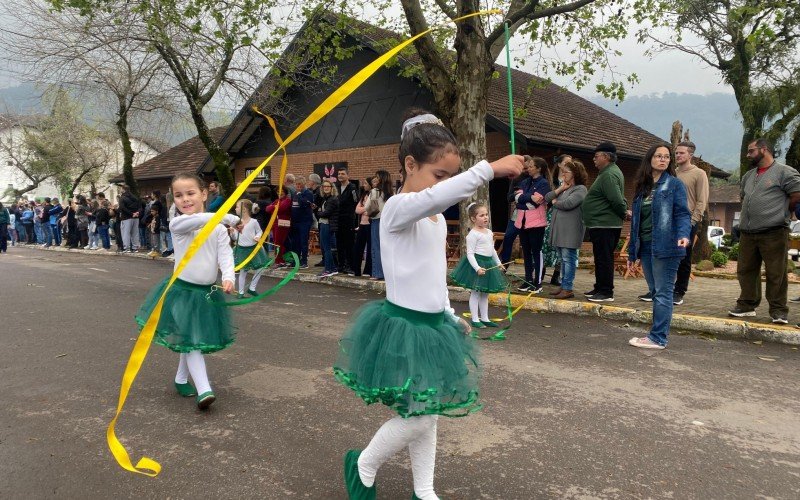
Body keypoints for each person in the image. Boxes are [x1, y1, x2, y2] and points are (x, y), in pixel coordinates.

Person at [333, 109, 523, 500]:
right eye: (440, 174)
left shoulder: (434, 218)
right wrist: (488, 168)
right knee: (419, 416)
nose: (446, 184)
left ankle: (424, 490)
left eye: (451, 176)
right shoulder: (397, 210)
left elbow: (432, 275)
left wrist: (450, 315)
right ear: (409, 164)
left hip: (433, 326)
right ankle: (364, 463)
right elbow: (434, 197)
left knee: (427, 414)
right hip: (404, 328)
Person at [135, 173, 239, 410]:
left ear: (204, 194)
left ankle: (181, 378)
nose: (185, 199)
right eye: (179, 195)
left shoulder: (219, 229)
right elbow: (202, 221)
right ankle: (205, 390)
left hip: (206, 294)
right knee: (192, 340)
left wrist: (230, 278)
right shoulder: (178, 224)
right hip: (182, 292)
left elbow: (225, 256)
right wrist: (226, 216)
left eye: (191, 193)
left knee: (190, 339)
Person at [729, 138, 800, 324]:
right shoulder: (748, 176)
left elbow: (796, 194)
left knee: (776, 272)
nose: (748, 155)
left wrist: (785, 211)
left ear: (764, 149)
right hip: (748, 232)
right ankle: (746, 305)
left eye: (751, 151)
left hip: (774, 231)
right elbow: (744, 198)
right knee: (745, 270)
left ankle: (778, 311)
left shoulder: (785, 172)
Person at [627, 144, 691, 349]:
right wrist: (632, 252)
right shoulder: (643, 187)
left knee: (663, 292)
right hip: (645, 245)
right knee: (656, 291)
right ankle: (656, 334)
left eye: (666, 157)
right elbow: (636, 220)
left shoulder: (674, 184)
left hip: (667, 246)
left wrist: (683, 234)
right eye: (658, 156)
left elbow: (682, 213)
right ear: (650, 159)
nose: (663, 160)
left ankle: (658, 338)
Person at [449, 202, 508, 330]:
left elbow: (492, 250)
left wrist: (498, 263)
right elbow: (470, 254)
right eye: (481, 215)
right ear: (473, 219)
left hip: (488, 264)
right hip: (477, 265)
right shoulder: (473, 234)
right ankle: (475, 319)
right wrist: (477, 268)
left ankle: (485, 318)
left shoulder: (489, 232)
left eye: (486, 214)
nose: (485, 217)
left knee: (485, 293)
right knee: (476, 293)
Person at [582, 141, 627, 302]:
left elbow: (616, 199)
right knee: (600, 257)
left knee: (604, 258)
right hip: (600, 223)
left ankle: (606, 291)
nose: (594, 159)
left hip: (606, 224)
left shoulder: (609, 174)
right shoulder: (606, 172)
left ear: (606, 157)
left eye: (596, 156)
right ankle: (600, 287)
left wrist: (623, 213)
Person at [670, 141, 709, 306]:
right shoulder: (672, 173)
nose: (678, 155)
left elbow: (702, 200)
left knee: (683, 256)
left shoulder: (699, 174)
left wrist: (693, 221)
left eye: (681, 153)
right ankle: (663, 289)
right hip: (670, 222)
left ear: (690, 155)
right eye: (676, 153)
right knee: (668, 255)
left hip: (687, 223)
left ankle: (679, 291)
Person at [545, 159, 588, 299]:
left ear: (575, 173)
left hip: (571, 232)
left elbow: (569, 203)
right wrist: (560, 189)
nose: (563, 174)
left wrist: (556, 202)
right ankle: (563, 286)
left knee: (568, 259)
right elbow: (548, 198)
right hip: (561, 231)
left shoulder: (581, 189)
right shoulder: (566, 188)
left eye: (566, 172)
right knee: (563, 260)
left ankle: (568, 288)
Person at [513, 155, 552, 293]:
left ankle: (538, 282)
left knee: (536, 251)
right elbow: (516, 198)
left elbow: (536, 203)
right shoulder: (525, 181)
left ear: (538, 169)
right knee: (526, 253)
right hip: (522, 222)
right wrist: (528, 198)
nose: (528, 169)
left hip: (536, 223)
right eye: (528, 166)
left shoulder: (543, 184)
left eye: (531, 166)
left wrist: (524, 200)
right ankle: (528, 280)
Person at [229, 199, 269, 297]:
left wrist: (257, 237)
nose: (235, 209)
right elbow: (235, 238)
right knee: (243, 271)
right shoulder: (236, 223)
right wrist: (232, 233)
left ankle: (252, 288)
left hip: (254, 249)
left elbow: (259, 231)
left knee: (260, 268)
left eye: (237, 207)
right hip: (242, 250)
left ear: (244, 210)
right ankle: (241, 292)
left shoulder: (254, 222)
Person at [366, 170, 393, 280]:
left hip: (377, 219)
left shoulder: (374, 191)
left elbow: (368, 206)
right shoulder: (391, 192)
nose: (375, 179)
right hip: (388, 221)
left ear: (381, 178)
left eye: (377, 177)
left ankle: (377, 273)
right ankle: (388, 273)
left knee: (376, 247)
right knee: (387, 247)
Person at [499, 169, 530, 266]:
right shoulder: (516, 179)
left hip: (531, 215)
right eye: (523, 168)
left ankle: (531, 271)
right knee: (508, 237)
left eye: (527, 167)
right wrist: (516, 194)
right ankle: (505, 264)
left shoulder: (535, 180)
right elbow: (509, 198)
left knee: (527, 242)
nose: (525, 170)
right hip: (517, 214)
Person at [337, 168, 359, 275]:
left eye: (343, 174)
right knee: (339, 244)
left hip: (348, 220)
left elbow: (356, 202)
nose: (340, 175)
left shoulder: (352, 188)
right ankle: (341, 265)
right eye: (339, 174)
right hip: (338, 220)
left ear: (348, 176)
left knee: (349, 244)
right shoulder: (336, 188)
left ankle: (350, 265)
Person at [315, 180, 340, 277]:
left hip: (327, 225)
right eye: (324, 186)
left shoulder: (333, 199)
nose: (325, 188)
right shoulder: (326, 199)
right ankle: (333, 268)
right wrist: (319, 211)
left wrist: (319, 212)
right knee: (326, 247)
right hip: (323, 224)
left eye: (328, 186)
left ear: (332, 188)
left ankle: (328, 269)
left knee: (327, 248)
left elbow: (326, 213)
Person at [289, 176, 314, 269]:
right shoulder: (294, 193)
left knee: (303, 241)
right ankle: (296, 261)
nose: (298, 186)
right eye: (296, 184)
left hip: (304, 221)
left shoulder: (308, 193)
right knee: (295, 242)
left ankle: (304, 261)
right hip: (295, 221)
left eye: (300, 184)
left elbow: (305, 204)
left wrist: (299, 195)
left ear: (304, 184)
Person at [264, 189, 293, 266]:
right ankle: (279, 259)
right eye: (278, 192)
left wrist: (274, 207)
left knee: (278, 242)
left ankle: (280, 260)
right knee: (276, 242)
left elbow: (281, 208)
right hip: (276, 224)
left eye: (282, 192)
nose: (280, 194)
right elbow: (267, 209)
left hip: (283, 224)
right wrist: (275, 207)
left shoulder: (287, 200)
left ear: (285, 192)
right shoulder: (277, 201)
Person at [353, 181, 373, 277]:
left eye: (365, 183)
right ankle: (356, 270)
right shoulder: (363, 196)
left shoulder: (373, 195)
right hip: (362, 224)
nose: (363, 185)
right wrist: (365, 209)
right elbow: (357, 210)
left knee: (369, 247)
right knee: (358, 247)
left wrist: (364, 209)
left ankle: (368, 270)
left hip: (370, 224)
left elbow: (372, 210)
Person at [118, 185, 140, 253]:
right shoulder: (135, 197)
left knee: (125, 233)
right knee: (135, 233)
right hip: (136, 217)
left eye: (121, 189)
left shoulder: (122, 198)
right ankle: (135, 248)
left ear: (123, 189)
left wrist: (131, 214)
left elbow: (122, 208)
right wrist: (136, 213)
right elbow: (140, 206)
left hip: (126, 218)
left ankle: (126, 248)